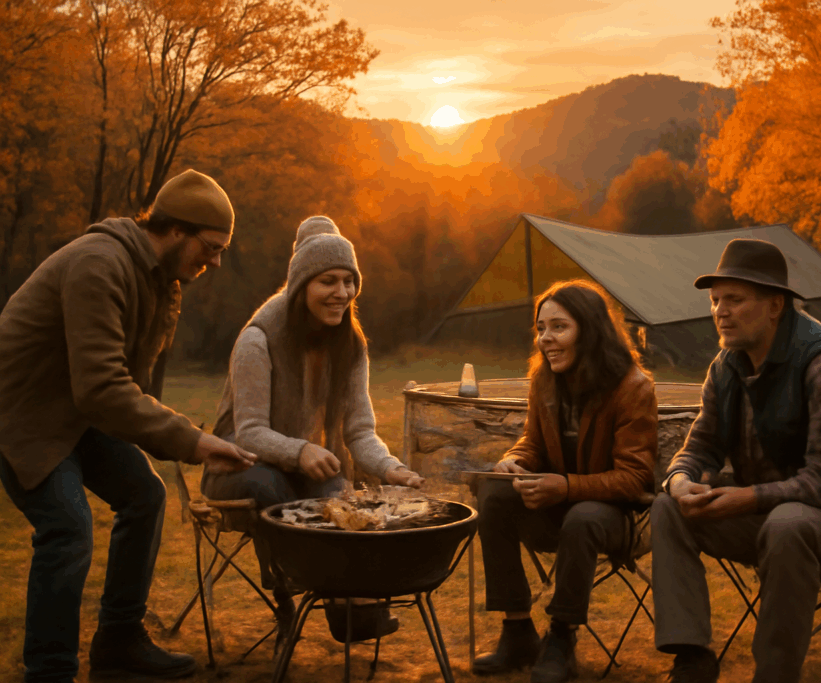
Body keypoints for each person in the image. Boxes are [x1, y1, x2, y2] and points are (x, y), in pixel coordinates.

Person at [0, 169, 257, 683]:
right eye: (211, 245)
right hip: (22, 412)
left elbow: (126, 383)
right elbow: (102, 388)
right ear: (177, 230)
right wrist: (194, 441)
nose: (217, 260)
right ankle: (49, 670)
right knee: (68, 528)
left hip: (75, 411)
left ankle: (118, 639)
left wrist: (172, 438)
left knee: (144, 494)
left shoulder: (161, 281)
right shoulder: (100, 264)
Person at [651, 238, 821, 683]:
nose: (720, 312)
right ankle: (691, 659)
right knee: (668, 507)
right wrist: (677, 478)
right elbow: (701, 444)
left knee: (789, 523)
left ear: (774, 305)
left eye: (734, 299)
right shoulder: (725, 366)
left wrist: (748, 498)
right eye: (715, 301)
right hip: (773, 520)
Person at [202, 215, 424, 641]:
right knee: (273, 487)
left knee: (337, 497)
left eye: (348, 281)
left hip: (301, 468)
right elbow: (249, 433)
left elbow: (359, 431)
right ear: (301, 285)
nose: (341, 293)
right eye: (327, 281)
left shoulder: (351, 345)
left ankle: (352, 608)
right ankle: (290, 594)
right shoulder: (258, 339)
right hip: (237, 467)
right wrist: (301, 450)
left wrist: (390, 468)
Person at [471, 280, 657, 683]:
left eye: (559, 327)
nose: (546, 339)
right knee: (494, 492)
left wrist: (567, 486)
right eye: (541, 328)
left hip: (618, 520)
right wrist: (514, 460)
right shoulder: (545, 380)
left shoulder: (632, 387)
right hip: (556, 510)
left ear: (588, 330)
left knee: (585, 516)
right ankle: (518, 629)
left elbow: (635, 478)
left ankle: (561, 638)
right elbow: (532, 442)